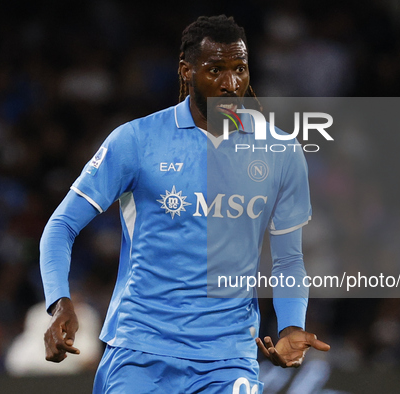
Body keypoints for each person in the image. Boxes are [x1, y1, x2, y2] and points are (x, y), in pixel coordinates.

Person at [40, 15, 329, 393]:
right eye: (216, 70)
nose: (231, 84)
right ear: (186, 71)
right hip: (140, 352)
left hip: (228, 358)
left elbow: (288, 258)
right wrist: (59, 302)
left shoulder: (281, 150)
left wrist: (291, 324)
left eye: (239, 69)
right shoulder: (136, 141)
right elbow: (61, 225)